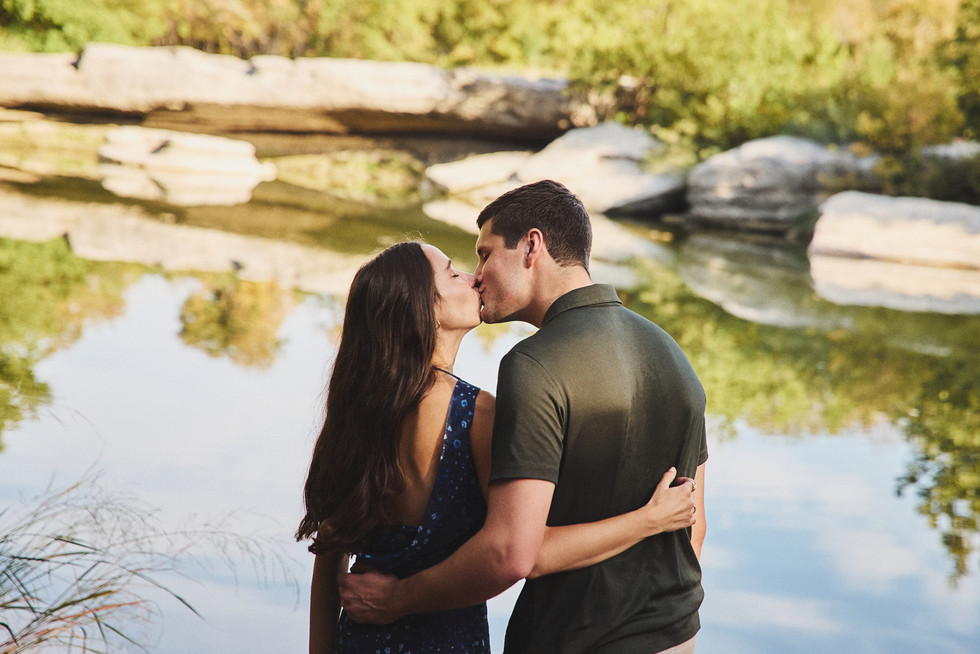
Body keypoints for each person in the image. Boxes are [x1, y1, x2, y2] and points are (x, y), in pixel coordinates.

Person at [339, 181, 708, 654]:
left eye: (485, 254)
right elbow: (694, 523)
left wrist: (397, 600)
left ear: (532, 246)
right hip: (677, 638)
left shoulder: (534, 365)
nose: (477, 275)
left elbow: (511, 552)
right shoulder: (675, 356)